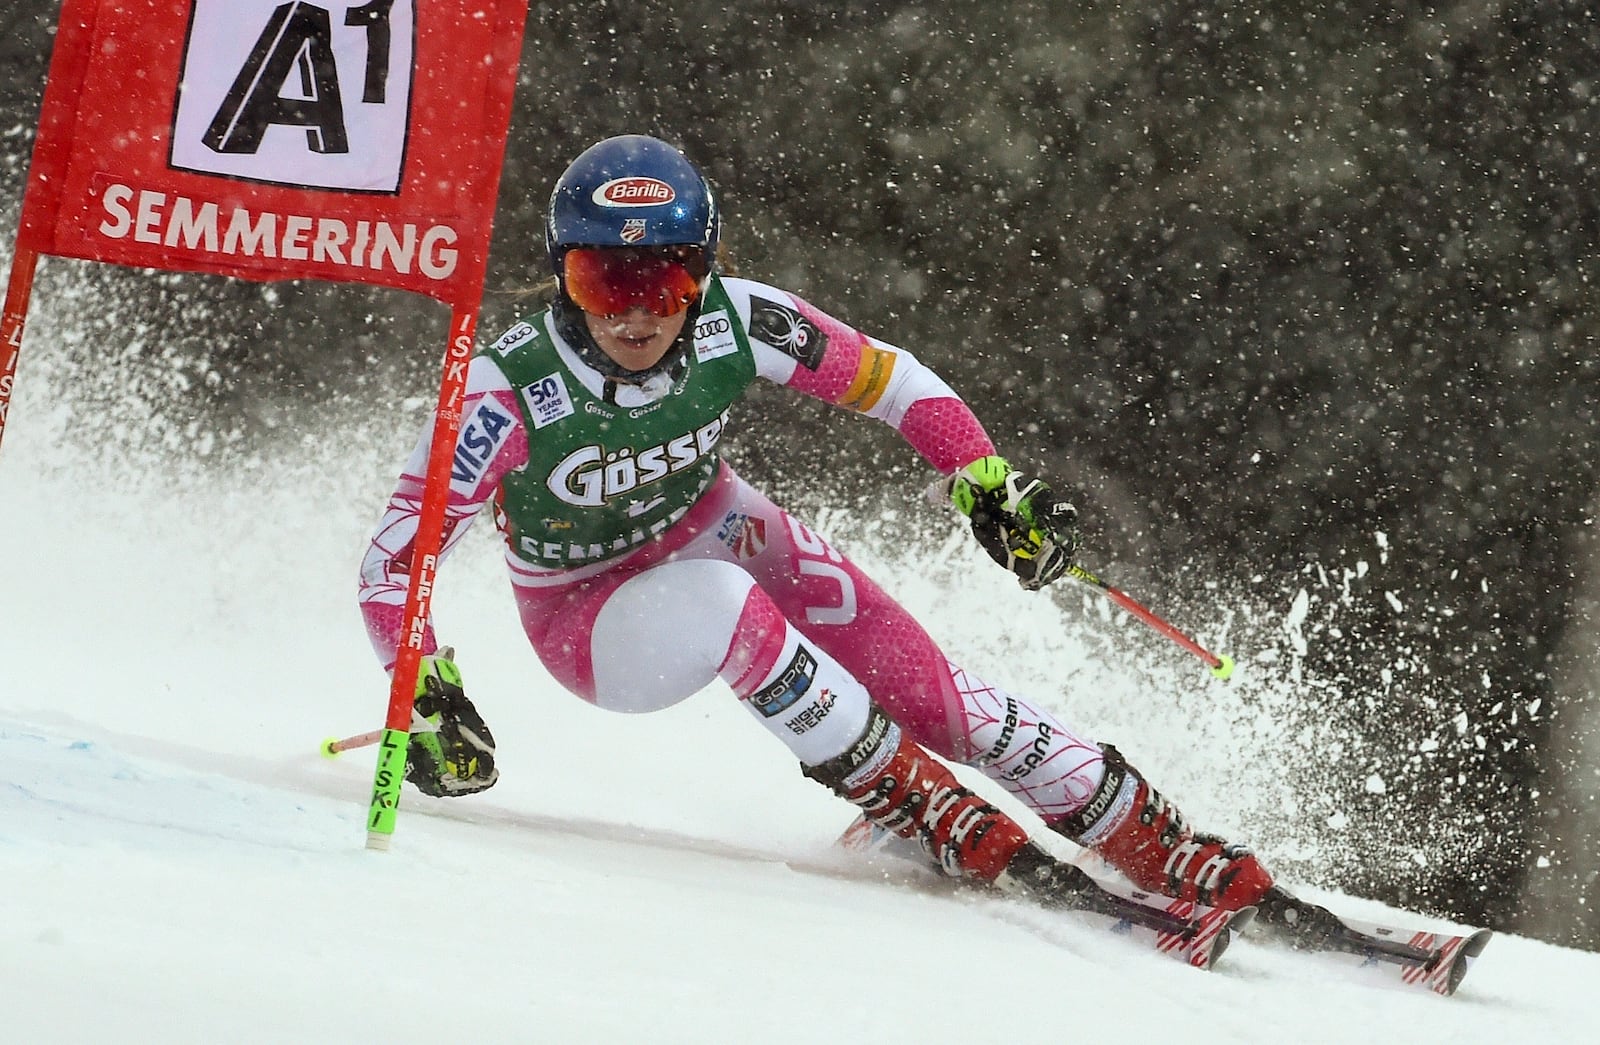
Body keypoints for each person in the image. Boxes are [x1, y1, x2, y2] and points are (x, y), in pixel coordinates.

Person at [358, 133, 1276, 915]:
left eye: (667, 279)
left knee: (919, 678)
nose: (637, 311)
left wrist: (985, 483)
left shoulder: (739, 320)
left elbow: (895, 379)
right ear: (562, 274)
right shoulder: (506, 389)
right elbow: (395, 563)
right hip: (589, 619)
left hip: (713, 521)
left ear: (704, 269)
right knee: (726, 601)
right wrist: (427, 685)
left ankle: (1134, 826)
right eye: (605, 280)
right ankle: (905, 796)